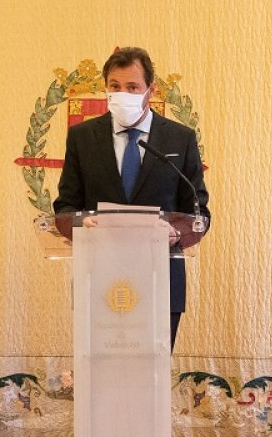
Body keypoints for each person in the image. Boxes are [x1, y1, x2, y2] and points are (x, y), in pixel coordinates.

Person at [54, 47, 210, 349]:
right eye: (114, 86)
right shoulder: (83, 138)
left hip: (160, 278)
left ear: (150, 91)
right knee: (102, 380)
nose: (122, 93)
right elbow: (65, 208)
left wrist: (177, 231)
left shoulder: (180, 139)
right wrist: (83, 223)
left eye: (132, 87)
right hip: (100, 279)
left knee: (151, 379)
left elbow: (199, 212)